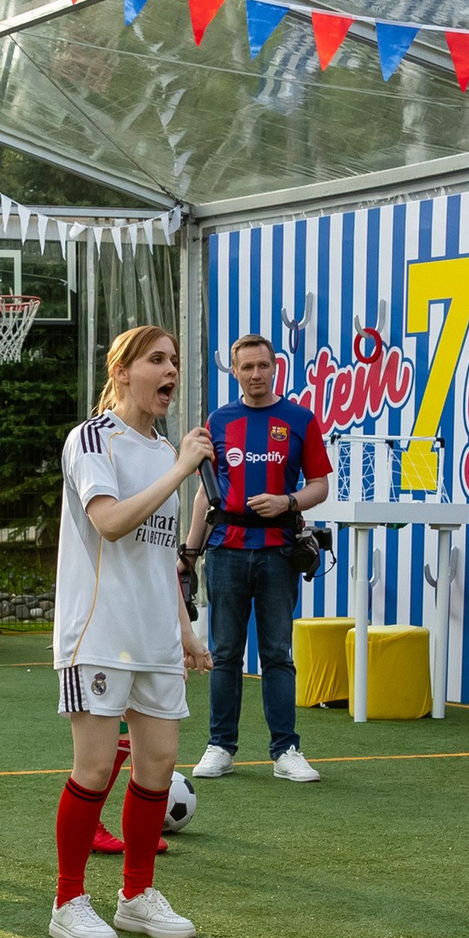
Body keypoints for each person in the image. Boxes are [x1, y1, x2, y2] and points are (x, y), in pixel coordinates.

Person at [46, 325, 214, 938]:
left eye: (174, 361)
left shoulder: (167, 450)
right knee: (94, 769)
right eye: (156, 360)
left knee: (159, 764)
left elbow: (162, 556)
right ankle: (68, 901)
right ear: (120, 372)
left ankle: (136, 895)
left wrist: (185, 630)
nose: (170, 371)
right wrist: (181, 471)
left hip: (155, 638)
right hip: (98, 634)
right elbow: (111, 523)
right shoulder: (93, 439)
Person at [185, 333, 331, 783]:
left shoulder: (300, 419)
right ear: (234, 372)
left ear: (275, 367)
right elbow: (205, 493)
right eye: (246, 367)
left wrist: (288, 501)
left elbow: (321, 486)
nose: (255, 374)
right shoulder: (218, 421)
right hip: (225, 550)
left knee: (277, 654)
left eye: (262, 366)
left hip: (278, 553)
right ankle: (220, 746)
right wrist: (189, 552)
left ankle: (286, 750)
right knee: (225, 653)